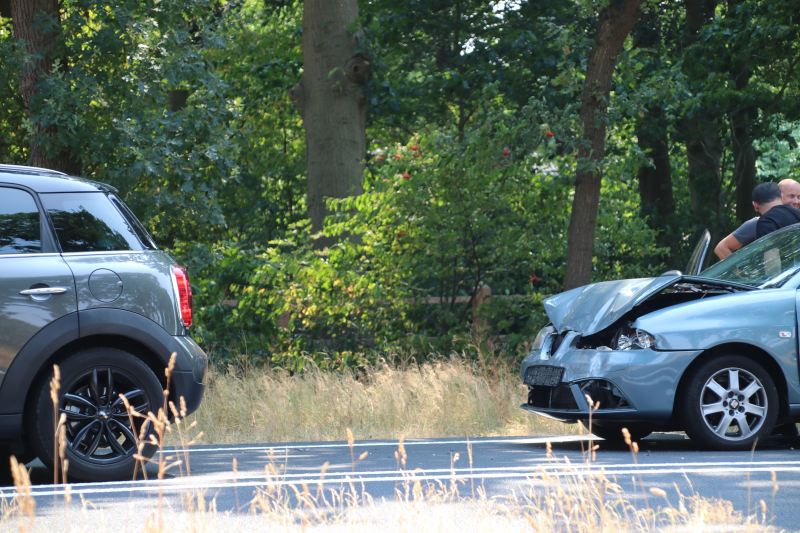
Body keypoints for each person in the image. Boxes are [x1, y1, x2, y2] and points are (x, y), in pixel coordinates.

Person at [714, 182, 784, 259]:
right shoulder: (756, 223)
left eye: (796, 196)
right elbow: (721, 248)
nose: (794, 201)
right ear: (782, 197)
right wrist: (741, 267)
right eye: (791, 196)